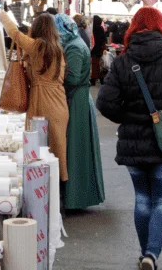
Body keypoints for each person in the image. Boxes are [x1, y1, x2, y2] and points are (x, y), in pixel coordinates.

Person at [95, 7, 162, 270]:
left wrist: (128, 117)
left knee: (142, 199)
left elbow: (105, 102)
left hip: (134, 140)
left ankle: (146, 253)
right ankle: (151, 254)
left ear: (133, 27)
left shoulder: (123, 60)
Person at [0, 10, 69, 182]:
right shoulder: (57, 49)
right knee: (57, 149)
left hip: (43, 101)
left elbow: (14, 33)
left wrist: (2, 15)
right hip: (58, 102)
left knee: (38, 149)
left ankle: (43, 191)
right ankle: (56, 192)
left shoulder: (39, 46)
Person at [54, 14, 105, 209]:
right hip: (79, 99)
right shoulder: (75, 42)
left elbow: (73, 78)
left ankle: (75, 197)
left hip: (77, 101)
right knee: (77, 146)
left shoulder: (74, 46)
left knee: (76, 147)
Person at [90, 15, 106, 86]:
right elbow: (103, 39)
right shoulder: (100, 28)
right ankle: (101, 78)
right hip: (99, 49)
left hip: (93, 49)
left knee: (94, 65)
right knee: (101, 64)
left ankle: (93, 79)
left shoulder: (91, 28)